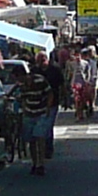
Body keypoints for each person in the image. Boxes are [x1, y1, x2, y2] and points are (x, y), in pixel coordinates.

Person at [22, 46, 65, 174]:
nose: (40, 63)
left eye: (42, 60)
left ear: (47, 59)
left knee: (47, 127)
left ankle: (47, 149)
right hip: (34, 107)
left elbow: (61, 85)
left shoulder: (55, 69)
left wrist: (64, 98)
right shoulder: (34, 71)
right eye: (38, 60)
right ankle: (37, 160)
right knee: (35, 136)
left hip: (51, 104)